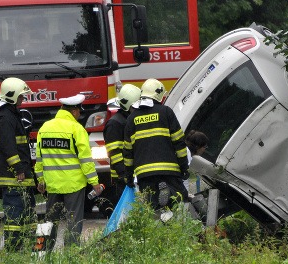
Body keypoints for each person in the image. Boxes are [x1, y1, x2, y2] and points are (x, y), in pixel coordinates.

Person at [35, 94, 104, 250]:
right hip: (73, 185)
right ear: (74, 111)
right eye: (79, 111)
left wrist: (40, 180)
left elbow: (39, 158)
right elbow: (85, 161)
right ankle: (70, 255)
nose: (79, 114)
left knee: (49, 222)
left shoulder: (45, 128)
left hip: (52, 184)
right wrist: (95, 183)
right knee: (73, 222)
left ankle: (41, 252)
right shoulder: (77, 129)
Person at [123, 78, 189, 210]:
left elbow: (127, 152)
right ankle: (169, 192)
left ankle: (162, 215)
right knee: (181, 198)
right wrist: (184, 167)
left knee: (153, 208)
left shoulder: (131, 119)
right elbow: (179, 142)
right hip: (169, 170)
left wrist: (129, 176)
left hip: (144, 174)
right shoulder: (166, 112)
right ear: (158, 94)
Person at [0, 77, 37, 251]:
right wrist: (18, 168)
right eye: (21, 96)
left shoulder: (11, 115)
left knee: (27, 213)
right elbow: (8, 147)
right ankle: (13, 249)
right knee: (14, 216)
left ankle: (28, 248)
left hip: (21, 176)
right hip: (14, 177)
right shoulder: (5, 118)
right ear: (12, 96)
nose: (23, 99)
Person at [102, 84, 142, 213]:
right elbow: (114, 152)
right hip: (122, 178)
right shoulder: (115, 123)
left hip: (132, 175)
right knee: (125, 214)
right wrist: (124, 174)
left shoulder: (128, 119)